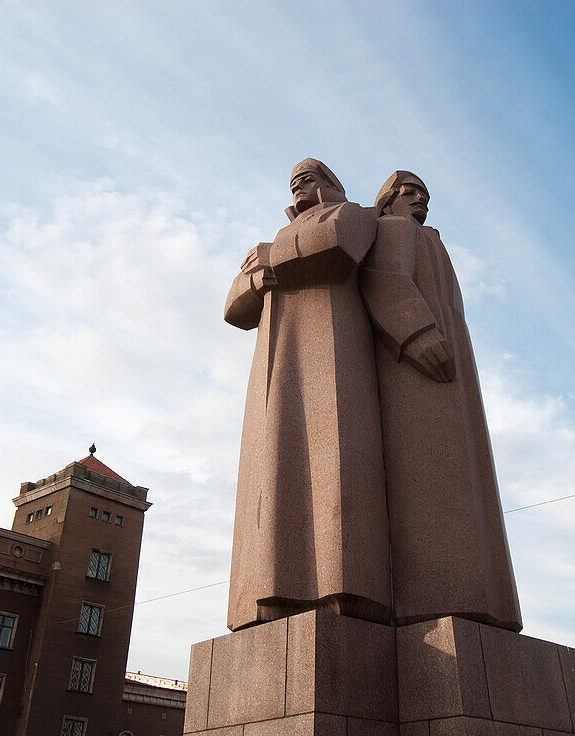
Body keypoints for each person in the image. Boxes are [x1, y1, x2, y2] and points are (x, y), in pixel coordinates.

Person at [223, 159, 391, 632]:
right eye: (293, 179)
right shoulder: (272, 244)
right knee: (273, 473)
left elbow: (335, 246)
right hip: (275, 372)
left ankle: (342, 587)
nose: (298, 181)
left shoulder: (352, 215)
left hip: (335, 353)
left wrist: (269, 257)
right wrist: (258, 277)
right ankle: (270, 593)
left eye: (310, 176)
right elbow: (234, 306)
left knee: (333, 464)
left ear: (331, 186)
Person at [359, 170, 523, 632]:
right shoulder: (393, 230)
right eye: (410, 192)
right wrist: (416, 333)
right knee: (432, 479)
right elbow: (383, 278)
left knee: (463, 482)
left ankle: (474, 599)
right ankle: (441, 595)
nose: (420, 201)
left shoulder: (429, 240)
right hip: (415, 373)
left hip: (450, 378)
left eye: (425, 196)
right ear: (388, 200)